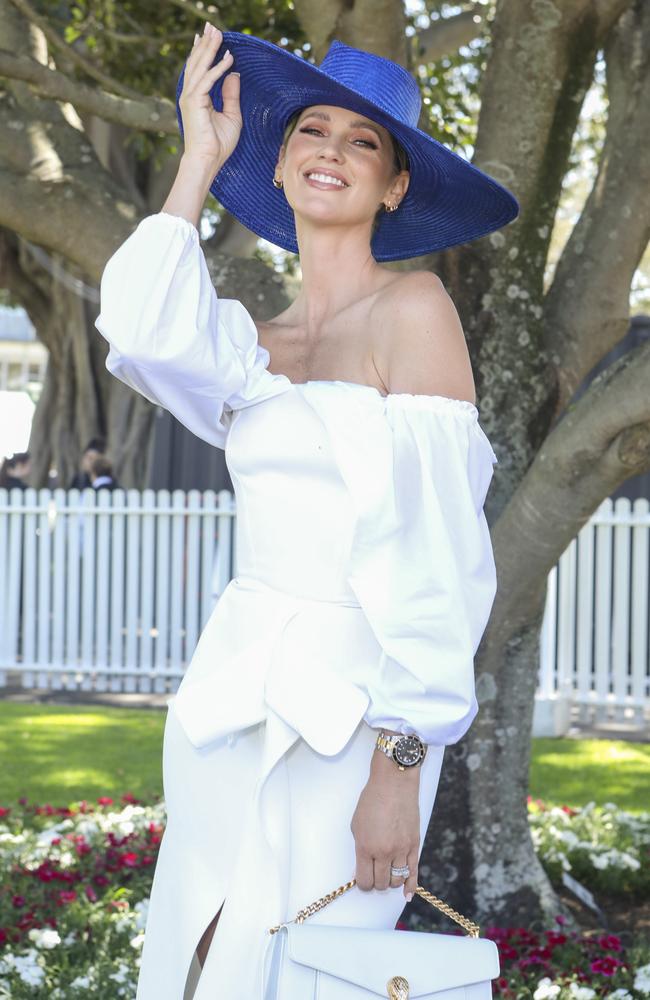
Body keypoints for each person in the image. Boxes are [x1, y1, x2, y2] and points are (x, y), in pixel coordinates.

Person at [94, 24, 518, 1000]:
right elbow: (144, 329)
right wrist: (200, 159)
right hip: (225, 708)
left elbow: (441, 558)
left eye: (362, 141)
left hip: (355, 722)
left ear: (395, 184)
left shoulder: (414, 312)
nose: (330, 149)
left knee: (313, 971)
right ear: (279, 164)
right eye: (309, 131)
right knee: (198, 964)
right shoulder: (251, 342)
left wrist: (401, 766)